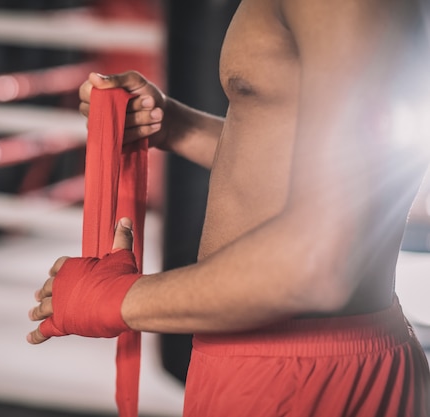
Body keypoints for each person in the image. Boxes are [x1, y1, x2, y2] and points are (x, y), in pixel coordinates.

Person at [28, 0, 430, 415]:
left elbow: (319, 264)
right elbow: (325, 166)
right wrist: (176, 127)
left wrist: (115, 299)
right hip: (271, 363)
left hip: (301, 374)